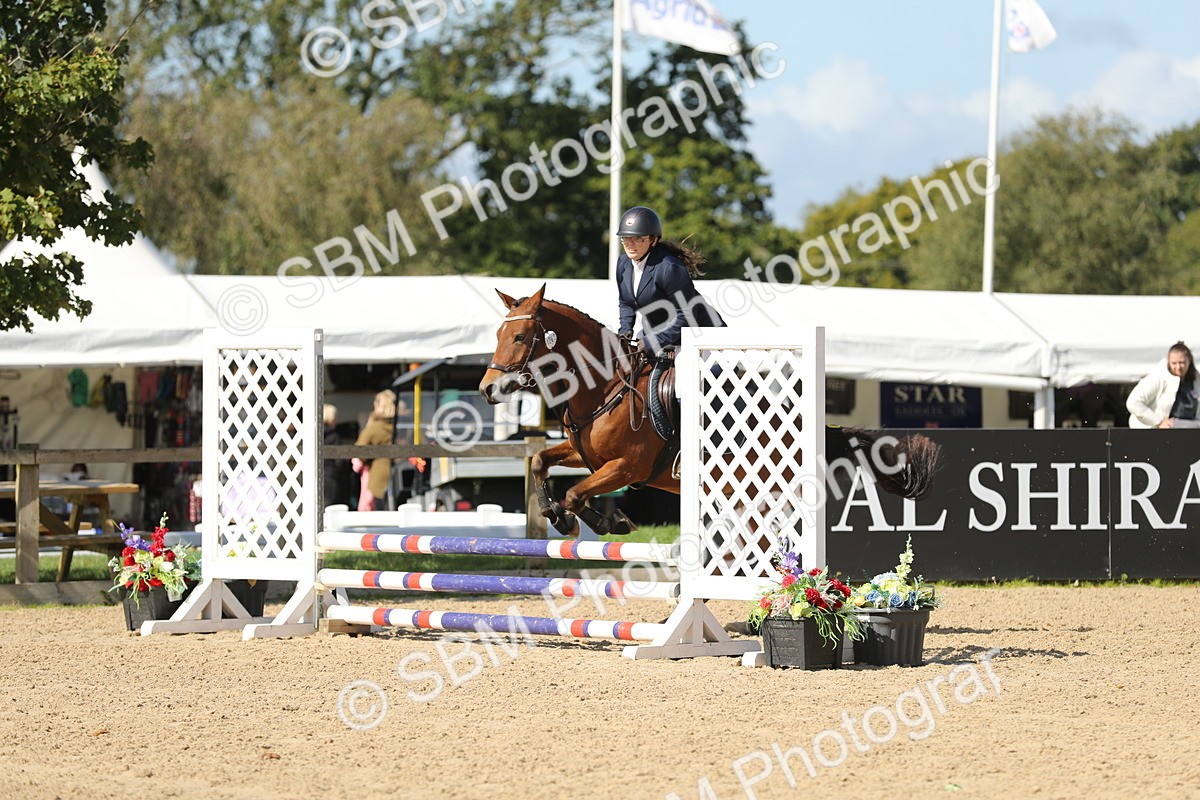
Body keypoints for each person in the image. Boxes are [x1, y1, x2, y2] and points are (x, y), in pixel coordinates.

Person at [615, 206, 725, 355]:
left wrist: (655, 341)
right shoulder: (623, 264)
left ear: (654, 240)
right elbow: (626, 302)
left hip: (700, 337)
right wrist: (625, 331)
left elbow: (687, 315)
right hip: (661, 333)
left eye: (638, 239)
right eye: (625, 238)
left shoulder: (670, 267)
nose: (630, 244)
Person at [1126, 341, 1200, 429]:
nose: (1178, 367)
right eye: (1174, 363)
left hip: (1189, 430)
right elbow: (1133, 403)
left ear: (1189, 360)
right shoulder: (1158, 378)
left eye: (1182, 362)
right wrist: (1158, 422)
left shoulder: (1197, 380)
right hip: (1155, 432)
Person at [351, 390, 398, 511]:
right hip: (399, 476)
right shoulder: (401, 426)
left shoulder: (374, 427)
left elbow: (358, 451)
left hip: (378, 479)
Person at [322, 404, 353, 507]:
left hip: (316, 477)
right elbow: (339, 462)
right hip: (331, 479)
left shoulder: (314, 436)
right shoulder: (334, 437)